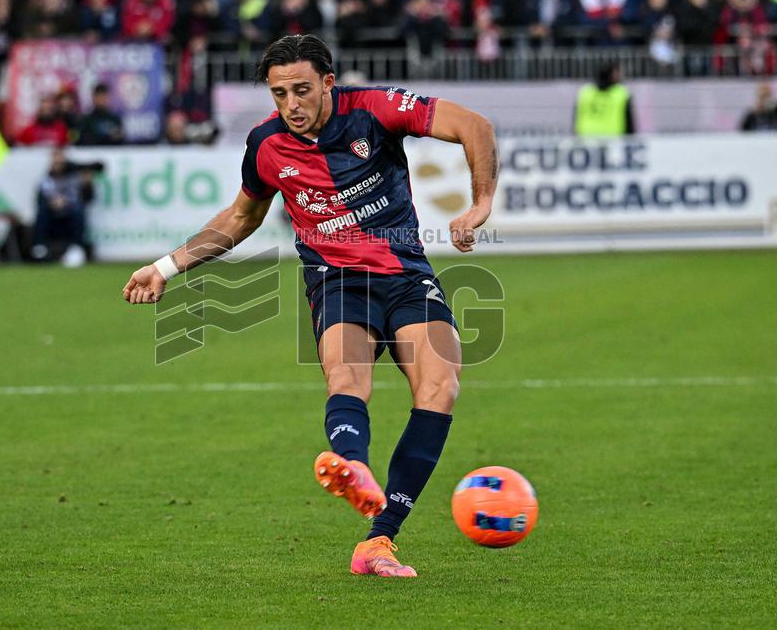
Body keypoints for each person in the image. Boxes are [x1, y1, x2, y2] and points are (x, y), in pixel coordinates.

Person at [122, 34, 498, 577]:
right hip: (336, 280)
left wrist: (480, 203)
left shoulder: (376, 109)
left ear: (328, 82)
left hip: (405, 274)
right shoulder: (267, 144)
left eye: (301, 90)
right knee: (347, 377)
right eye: (279, 94)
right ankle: (354, 469)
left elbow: (474, 126)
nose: (291, 105)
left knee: (441, 387)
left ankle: (378, 541)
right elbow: (240, 218)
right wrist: (164, 268)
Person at [31, 147, 104, 267]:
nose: (58, 164)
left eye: (60, 161)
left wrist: (87, 185)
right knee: (42, 210)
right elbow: (40, 199)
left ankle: (77, 248)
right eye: (55, 161)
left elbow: (88, 198)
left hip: (71, 212)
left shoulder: (74, 177)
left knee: (79, 210)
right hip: (52, 214)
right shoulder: (45, 179)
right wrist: (53, 202)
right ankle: (40, 247)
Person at [574, 61, 636, 136]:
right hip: (613, 139)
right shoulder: (621, 93)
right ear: (611, 75)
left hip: (587, 138)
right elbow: (629, 122)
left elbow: (576, 117)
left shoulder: (585, 92)